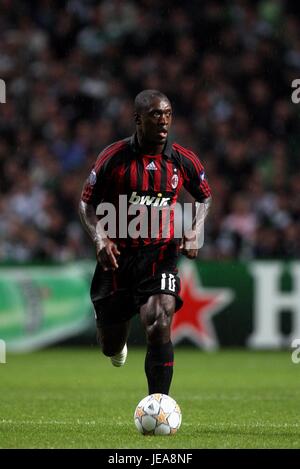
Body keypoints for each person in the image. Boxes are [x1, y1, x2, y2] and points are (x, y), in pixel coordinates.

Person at [79, 89, 211, 395]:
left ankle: (159, 403)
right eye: (155, 115)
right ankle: (116, 344)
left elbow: (205, 196)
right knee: (109, 344)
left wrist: (195, 229)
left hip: (159, 255)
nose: (163, 121)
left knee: (159, 322)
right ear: (137, 120)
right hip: (117, 258)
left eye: (167, 114)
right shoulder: (113, 158)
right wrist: (100, 237)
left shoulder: (182, 159)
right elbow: (86, 204)